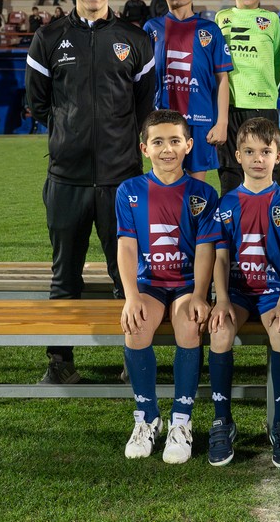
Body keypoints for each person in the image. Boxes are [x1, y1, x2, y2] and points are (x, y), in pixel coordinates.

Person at [25, 0, 156, 384]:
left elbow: (144, 108)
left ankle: (132, 359)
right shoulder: (47, 38)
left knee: (126, 275)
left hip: (122, 180)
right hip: (66, 178)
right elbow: (39, 105)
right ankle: (60, 361)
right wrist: (71, 135)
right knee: (65, 275)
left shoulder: (136, 39)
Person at [117, 109, 220, 464]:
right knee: (136, 325)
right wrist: (131, 296)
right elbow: (127, 246)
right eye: (158, 142)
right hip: (150, 284)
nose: (167, 149)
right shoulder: (130, 191)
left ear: (188, 145)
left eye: (175, 141)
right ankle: (147, 418)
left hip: (187, 284)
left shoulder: (203, 193)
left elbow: (206, 250)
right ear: (144, 148)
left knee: (190, 324)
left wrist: (200, 294)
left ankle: (181, 420)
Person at [207, 117, 280, 468]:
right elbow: (220, 256)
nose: (258, 159)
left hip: (273, 291)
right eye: (249, 152)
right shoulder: (227, 203)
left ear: (278, 156)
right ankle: (222, 421)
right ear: (237, 156)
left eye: (265, 151)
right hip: (238, 292)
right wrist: (222, 299)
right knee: (220, 331)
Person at [144, 0, 232, 184]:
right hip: (163, 121)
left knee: (196, 189)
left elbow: (222, 79)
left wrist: (222, 122)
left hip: (200, 121)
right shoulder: (151, 29)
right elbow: (143, 80)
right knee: (165, 184)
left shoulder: (210, 30)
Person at [214, 0, 280, 194]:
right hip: (231, 107)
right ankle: (232, 217)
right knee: (231, 172)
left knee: (267, 170)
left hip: (263, 106)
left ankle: (270, 216)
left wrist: (266, 88)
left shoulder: (272, 20)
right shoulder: (221, 18)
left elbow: (277, 62)